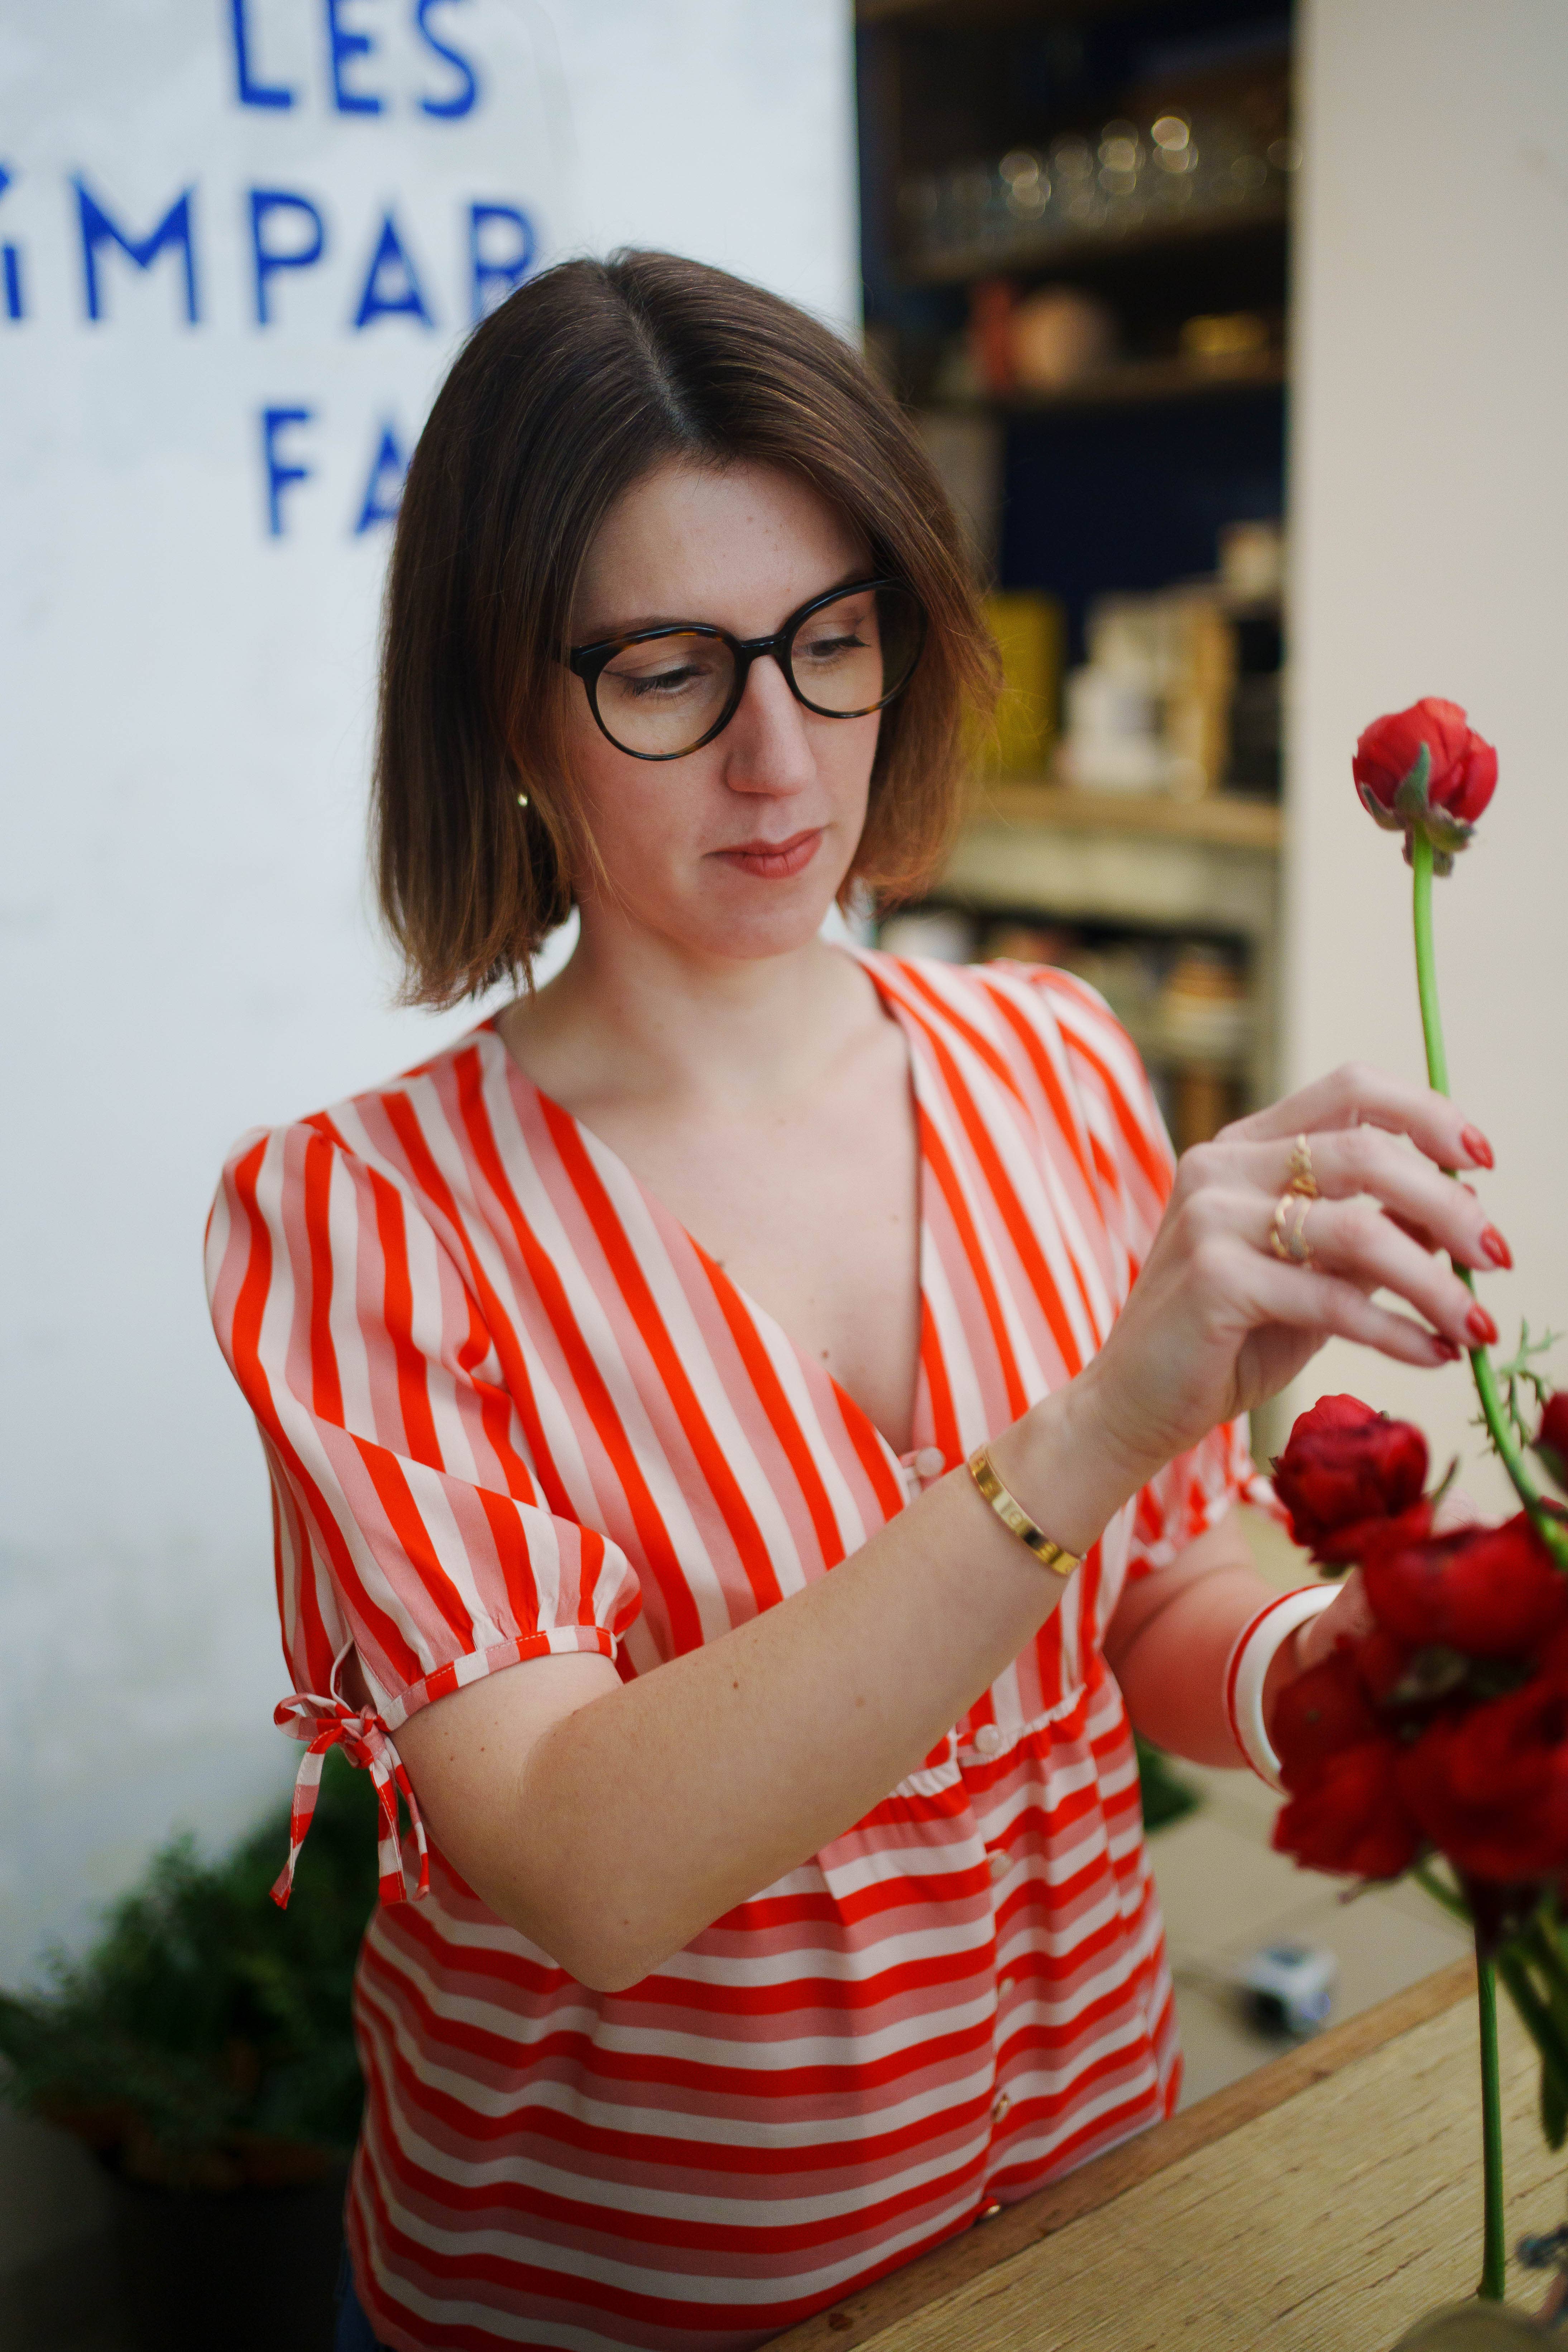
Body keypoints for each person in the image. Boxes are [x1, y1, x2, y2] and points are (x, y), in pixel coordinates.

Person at [206, 251, 1502, 2352]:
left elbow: (1146, 1608)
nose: (780, 754)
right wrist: (1093, 1425)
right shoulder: (370, 1221)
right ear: (501, 700)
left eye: (832, 641)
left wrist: (1406, 1669)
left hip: (1086, 2231)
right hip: (604, 2305)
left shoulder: (1051, 1063)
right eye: (667, 668)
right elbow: (584, 1867)